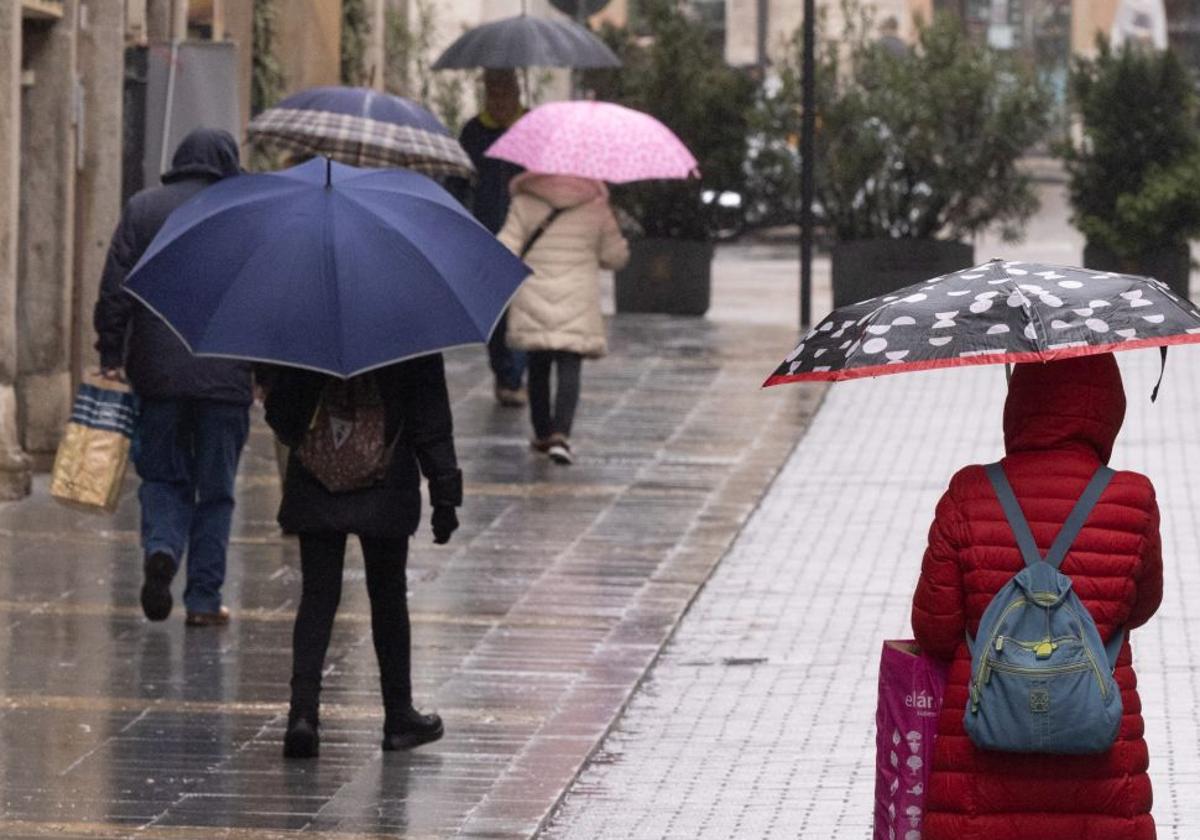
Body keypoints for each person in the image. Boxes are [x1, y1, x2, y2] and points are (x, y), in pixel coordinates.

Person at [911, 354, 1162, 840]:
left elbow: (936, 630)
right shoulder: (1132, 497)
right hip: (1099, 765)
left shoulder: (969, 491)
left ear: (1019, 404)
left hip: (980, 769)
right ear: (1110, 407)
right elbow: (1143, 605)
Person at [261, 355, 462, 758]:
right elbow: (429, 412)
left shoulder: (306, 323)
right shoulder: (410, 324)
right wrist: (444, 492)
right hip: (387, 480)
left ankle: (303, 714)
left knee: (318, 597)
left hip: (316, 478)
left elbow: (280, 412)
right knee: (387, 596)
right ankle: (398, 715)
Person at [94, 128, 252, 628]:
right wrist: (268, 374)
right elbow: (266, 298)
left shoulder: (144, 208)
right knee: (217, 490)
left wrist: (110, 351)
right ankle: (204, 599)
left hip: (157, 372)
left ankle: (162, 547)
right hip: (226, 375)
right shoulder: (246, 212)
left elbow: (115, 288)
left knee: (161, 475)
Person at [497, 173, 629, 465]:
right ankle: (561, 434)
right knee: (570, 365)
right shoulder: (595, 206)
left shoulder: (524, 201)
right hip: (577, 296)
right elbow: (615, 257)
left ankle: (543, 432)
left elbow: (505, 248)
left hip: (534, 293)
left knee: (538, 365)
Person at [456, 68, 528, 407]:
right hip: (486, 230)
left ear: (516, 92)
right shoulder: (473, 132)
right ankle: (504, 372)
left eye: (505, 92)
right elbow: (459, 179)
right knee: (496, 309)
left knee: (525, 305)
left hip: (527, 231)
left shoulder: (531, 127)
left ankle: (516, 375)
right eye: (493, 93)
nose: (499, 100)